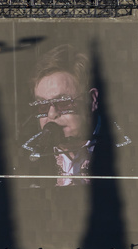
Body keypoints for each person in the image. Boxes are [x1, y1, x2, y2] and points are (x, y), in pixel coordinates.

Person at [20, 44, 130, 185]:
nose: (51, 114)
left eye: (63, 102)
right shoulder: (21, 157)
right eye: (42, 105)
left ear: (92, 100)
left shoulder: (132, 153)